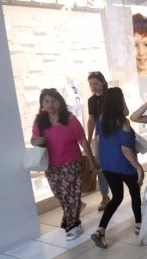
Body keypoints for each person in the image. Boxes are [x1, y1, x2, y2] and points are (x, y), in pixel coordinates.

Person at [30, 89, 97, 240]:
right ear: (42, 104)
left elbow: (83, 141)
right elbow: (33, 139)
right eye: (46, 101)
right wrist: (36, 141)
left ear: (60, 102)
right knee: (59, 193)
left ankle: (74, 225)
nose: (50, 104)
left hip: (71, 161)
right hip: (51, 164)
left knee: (68, 193)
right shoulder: (40, 121)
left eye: (53, 100)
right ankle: (76, 206)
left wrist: (92, 161)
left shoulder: (70, 119)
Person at [90, 88, 143, 248]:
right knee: (135, 195)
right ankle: (139, 225)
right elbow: (126, 150)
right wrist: (139, 168)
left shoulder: (101, 119)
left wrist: (99, 161)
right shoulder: (123, 123)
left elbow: (96, 141)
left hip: (108, 166)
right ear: (120, 101)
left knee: (117, 197)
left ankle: (100, 230)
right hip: (125, 167)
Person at [86, 71, 111, 210]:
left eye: (96, 83)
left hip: (115, 134)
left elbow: (124, 112)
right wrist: (89, 140)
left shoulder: (111, 95)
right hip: (100, 136)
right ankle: (105, 196)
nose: (93, 86)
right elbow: (91, 120)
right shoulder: (91, 100)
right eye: (91, 84)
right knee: (100, 166)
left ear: (103, 82)